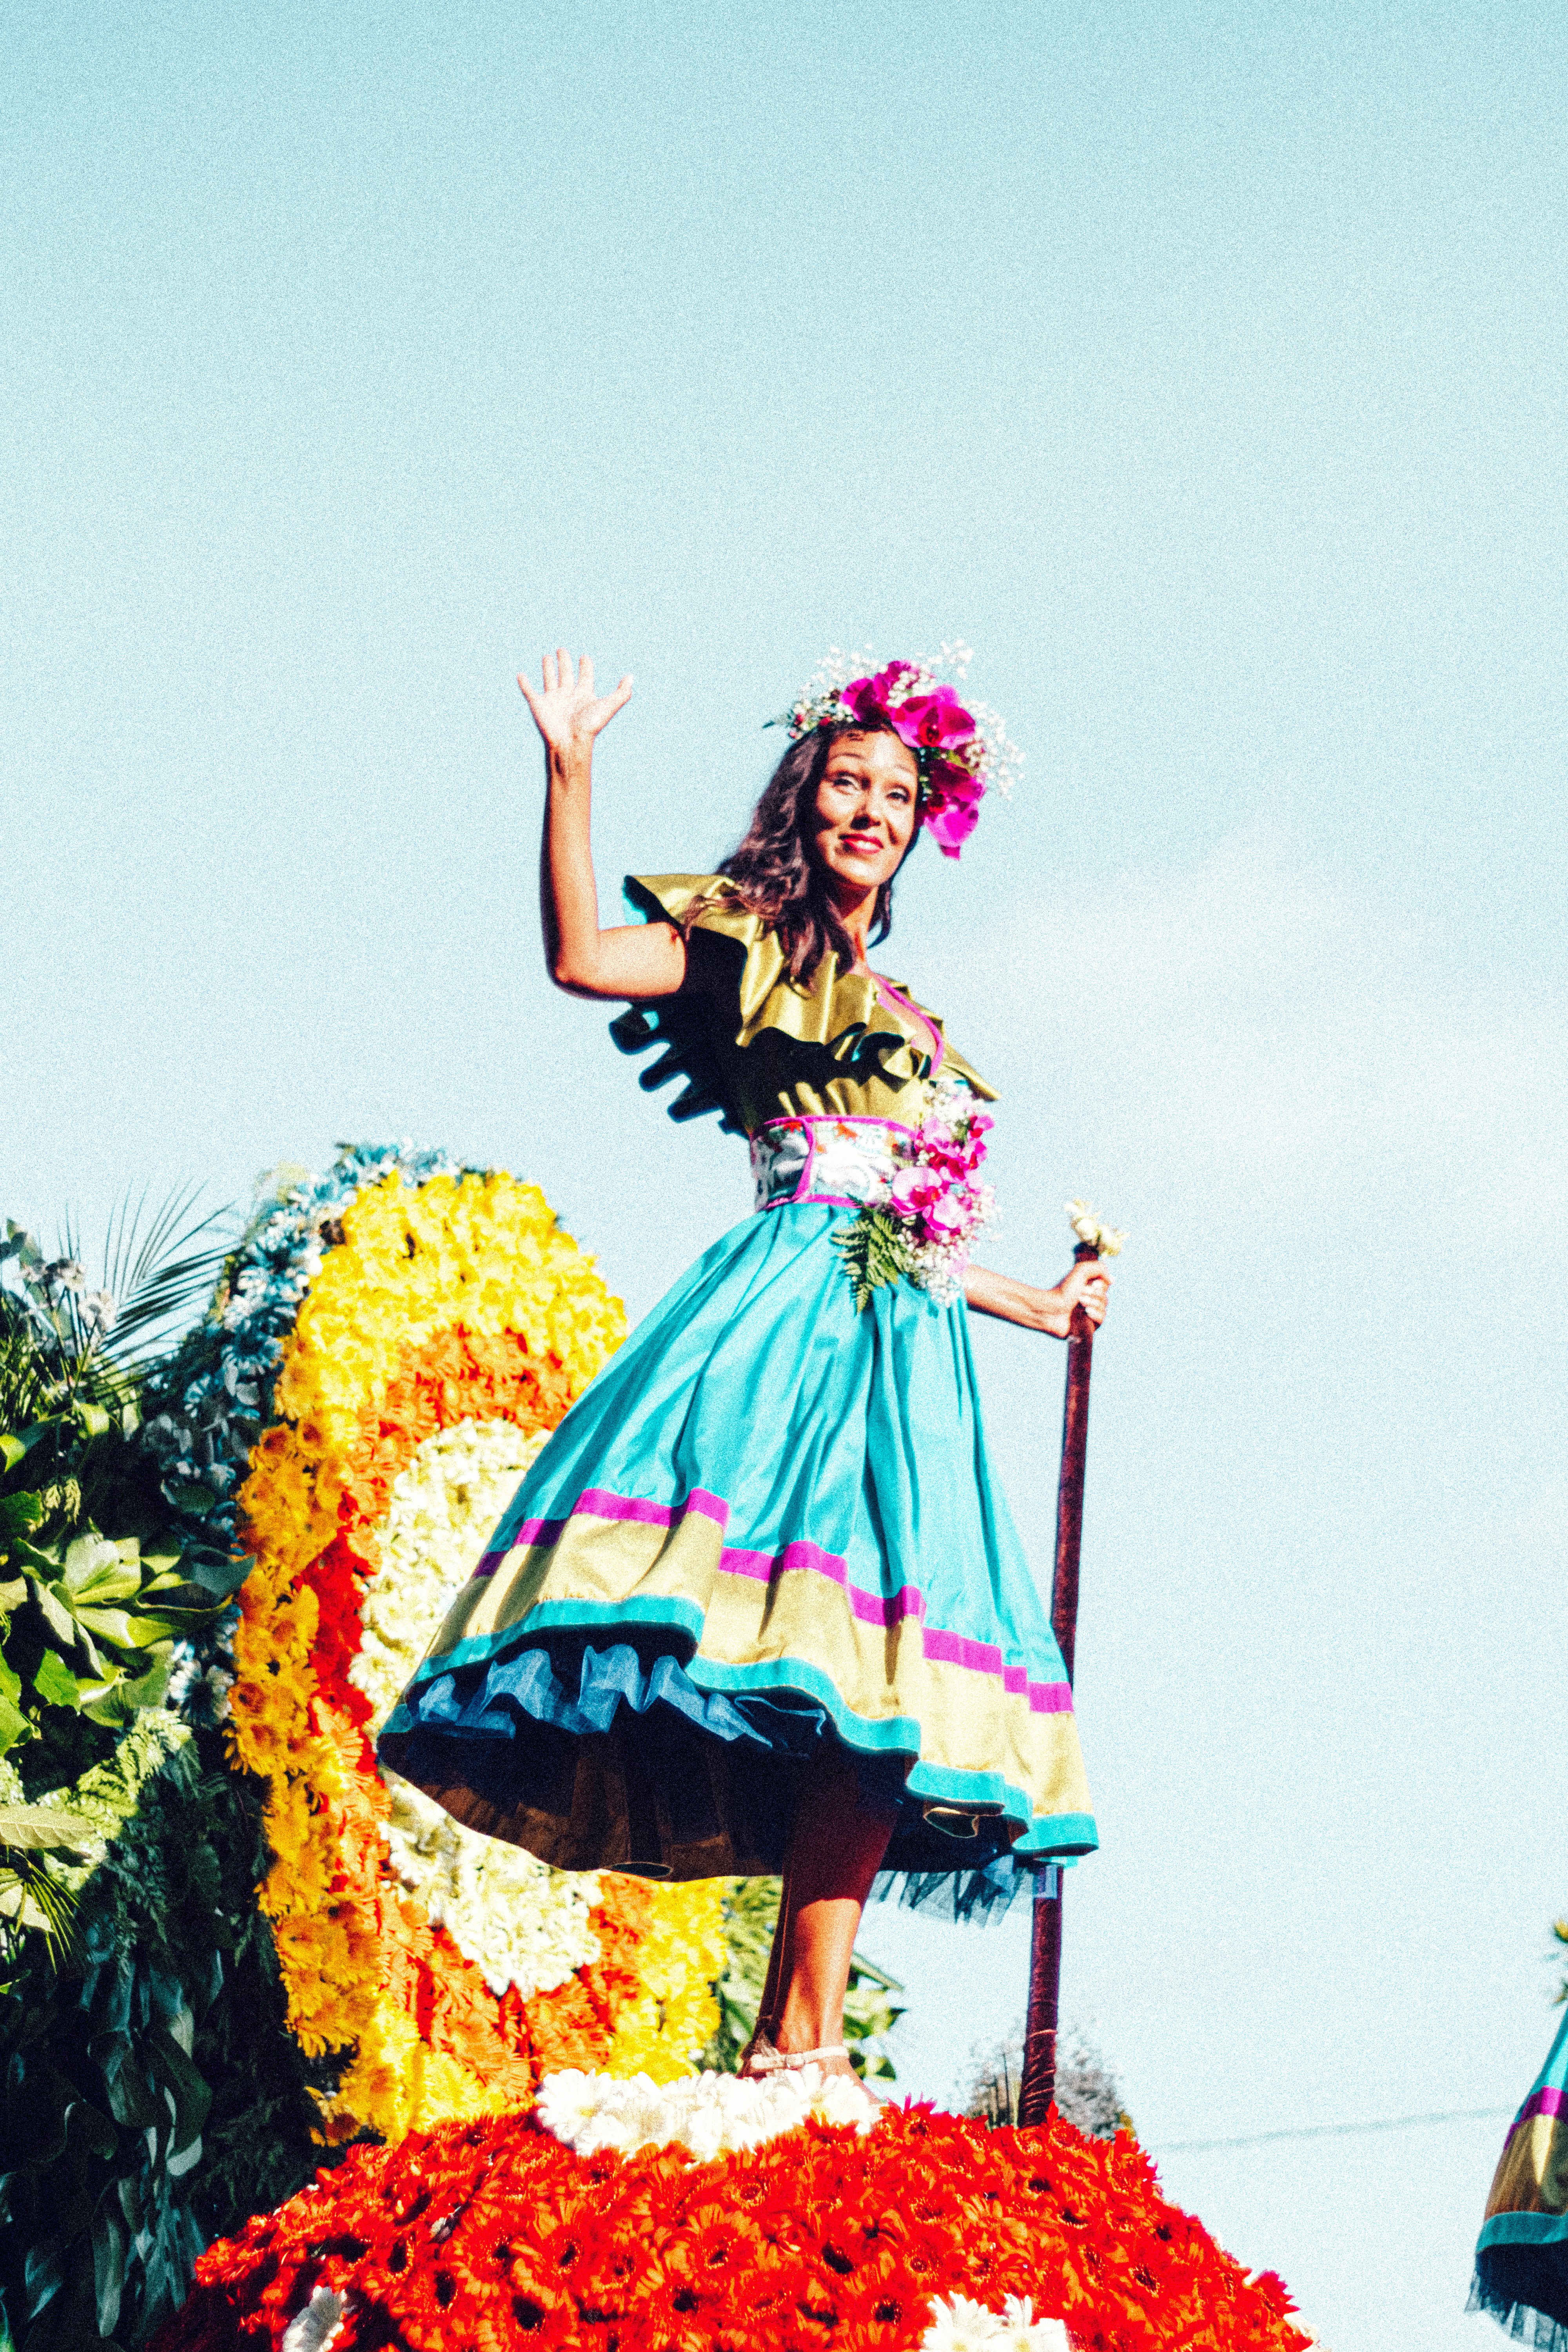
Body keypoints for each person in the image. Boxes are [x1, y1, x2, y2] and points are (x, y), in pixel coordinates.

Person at [379, 646, 1110, 2102]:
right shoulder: (753, 942)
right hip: (785, 1329)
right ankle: (790, 2038)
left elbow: (910, 1227)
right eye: (848, 782)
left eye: (898, 794)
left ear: (919, 827)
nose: (872, 809)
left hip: (908, 1352)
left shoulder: (913, 1027)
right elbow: (584, 956)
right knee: (776, 1650)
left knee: (878, 1699)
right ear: (806, 795)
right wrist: (570, 769)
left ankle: (803, 2041)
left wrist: (1039, 1302)